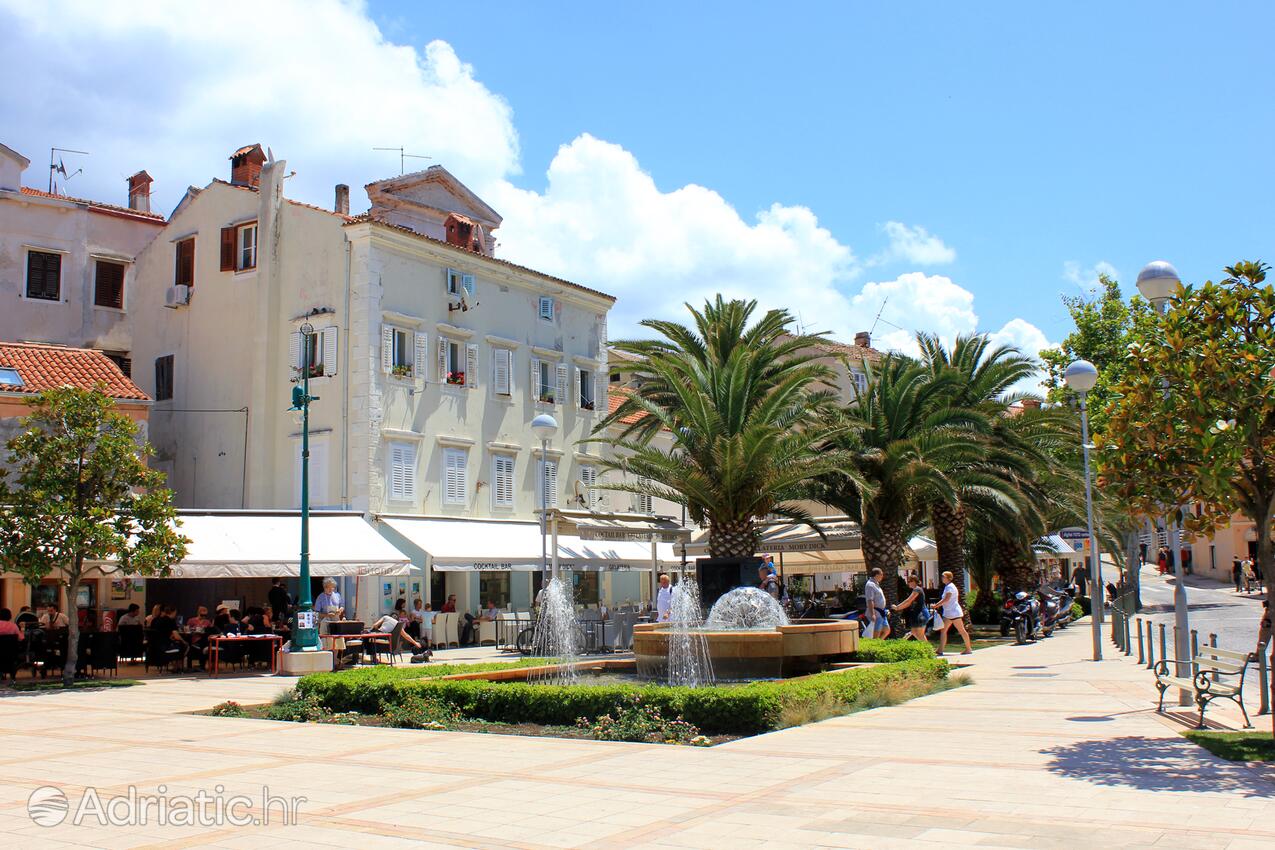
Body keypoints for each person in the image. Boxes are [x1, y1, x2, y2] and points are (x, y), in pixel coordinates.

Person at [935, 570, 972, 655]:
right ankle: (940, 650)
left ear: (948, 578)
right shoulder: (947, 587)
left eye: (943, 576)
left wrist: (937, 605)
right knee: (943, 630)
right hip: (949, 613)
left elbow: (946, 599)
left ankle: (968, 648)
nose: (941, 578)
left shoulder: (950, 587)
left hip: (953, 613)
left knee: (961, 630)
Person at [890, 575, 928, 642]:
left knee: (919, 634)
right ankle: (927, 649)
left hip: (921, 614)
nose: (908, 583)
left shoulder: (917, 589)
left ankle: (928, 650)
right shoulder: (916, 589)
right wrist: (898, 608)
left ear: (913, 581)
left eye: (909, 581)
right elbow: (908, 604)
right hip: (918, 614)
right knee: (915, 632)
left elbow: (908, 600)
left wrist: (897, 607)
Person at [863, 568, 889, 640]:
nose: (882, 576)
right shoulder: (870, 585)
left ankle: (878, 643)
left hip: (882, 612)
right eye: (881, 575)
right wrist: (872, 614)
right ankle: (875, 645)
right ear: (877, 575)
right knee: (876, 633)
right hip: (876, 613)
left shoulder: (876, 584)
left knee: (886, 630)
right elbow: (870, 600)